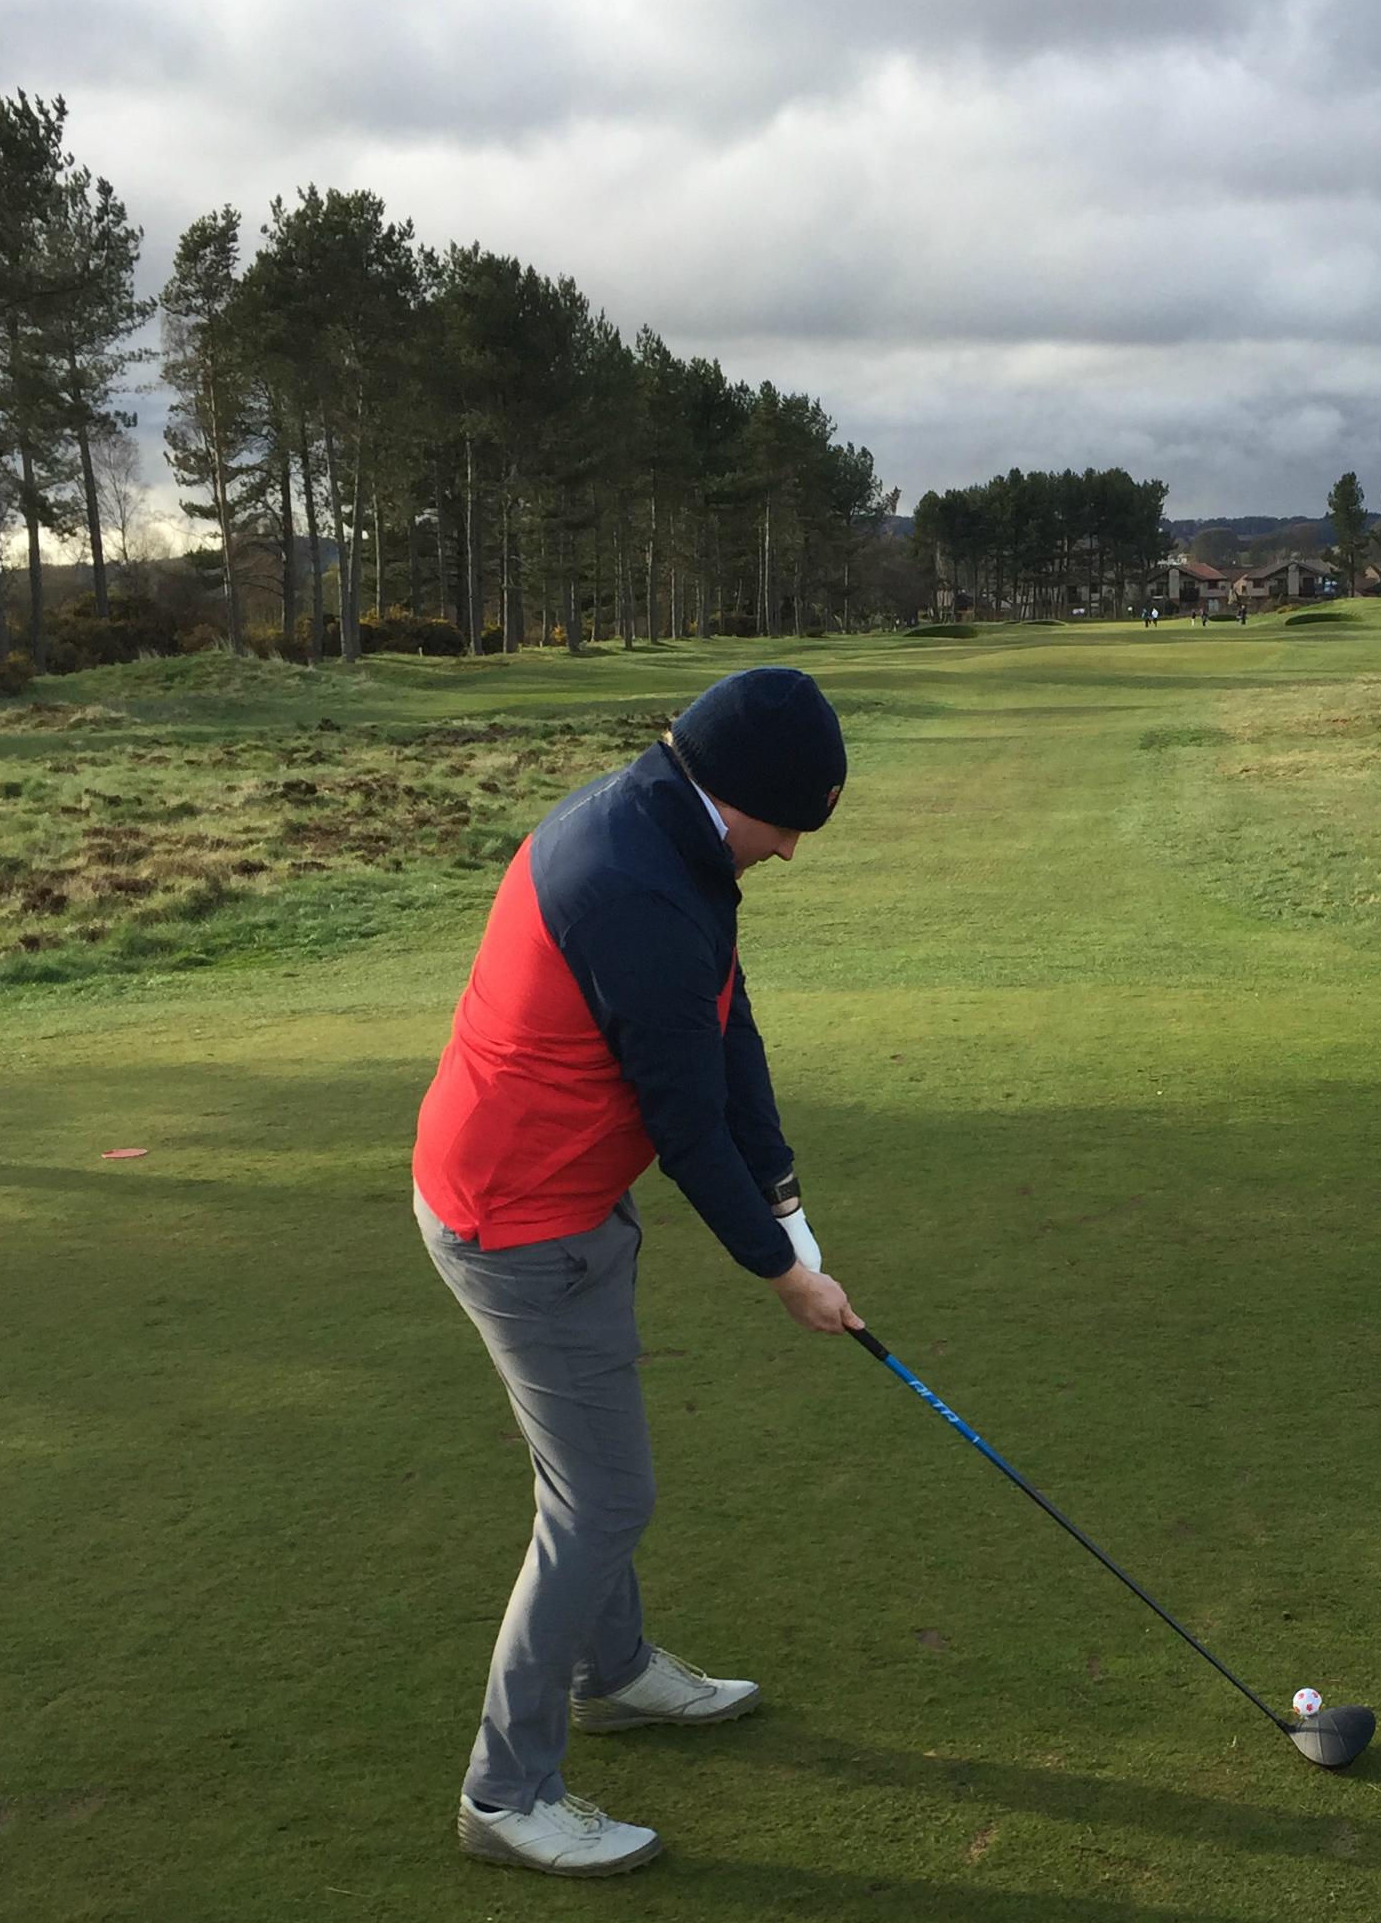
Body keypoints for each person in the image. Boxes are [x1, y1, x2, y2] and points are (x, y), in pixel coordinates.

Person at [412, 667, 859, 1879]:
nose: (792, 853)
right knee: (602, 1500)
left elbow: (726, 1024)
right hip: (518, 1222)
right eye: (794, 826)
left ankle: (608, 1675)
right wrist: (783, 1274)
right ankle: (504, 1795)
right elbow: (682, 1118)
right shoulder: (633, 884)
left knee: (588, 1482)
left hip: (548, 1198)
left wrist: (784, 1196)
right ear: (746, 800)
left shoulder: (661, 825)